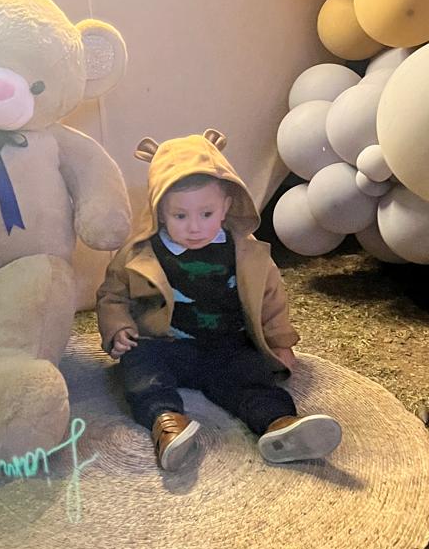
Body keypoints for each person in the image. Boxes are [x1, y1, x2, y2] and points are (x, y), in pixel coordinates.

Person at [96, 129, 342, 472]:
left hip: (227, 346)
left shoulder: (246, 252)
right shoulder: (140, 253)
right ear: (160, 211)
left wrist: (280, 342)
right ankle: (167, 423)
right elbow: (112, 294)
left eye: (206, 214)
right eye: (180, 216)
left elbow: (271, 299)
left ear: (226, 206)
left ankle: (279, 424)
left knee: (251, 375)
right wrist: (119, 327)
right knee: (140, 367)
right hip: (166, 345)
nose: (194, 227)